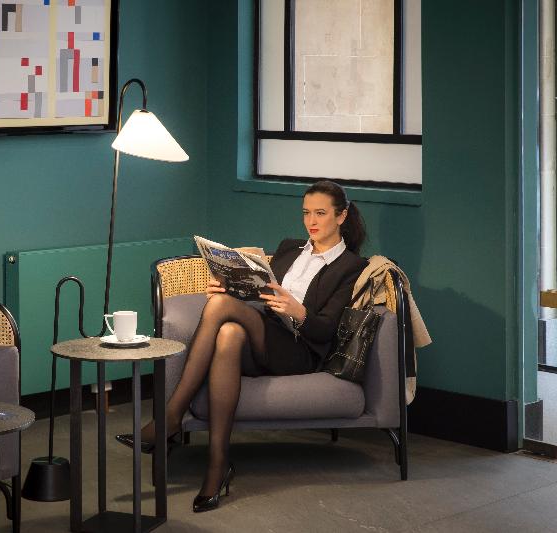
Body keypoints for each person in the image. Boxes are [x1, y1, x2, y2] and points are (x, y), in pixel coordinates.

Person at [116, 180, 368, 512]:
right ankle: (217, 465)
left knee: (221, 310)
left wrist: (299, 311)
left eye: (320, 213)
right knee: (228, 334)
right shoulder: (290, 247)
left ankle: (171, 418)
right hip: (264, 334)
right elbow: (260, 296)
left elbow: (326, 330)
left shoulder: (352, 266)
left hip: (300, 350)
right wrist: (227, 287)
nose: (311, 221)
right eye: (306, 212)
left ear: (342, 215)